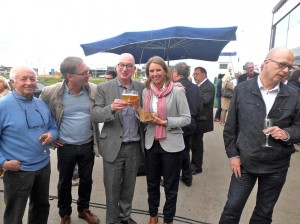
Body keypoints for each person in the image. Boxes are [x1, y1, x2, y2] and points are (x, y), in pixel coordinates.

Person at [219, 47, 300, 224]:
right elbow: (230, 127)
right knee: (232, 209)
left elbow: (299, 127)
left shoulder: (294, 96)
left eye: (290, 67)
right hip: (245, 164)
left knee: (263, 214)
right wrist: (233, 155)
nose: (286, 70)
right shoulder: (242, 89)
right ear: (266, 63)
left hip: (276, 167)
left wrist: (286, 133)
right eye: (282, 65)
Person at [40, 57, 100, 224]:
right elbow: (41, 117)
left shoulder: (94, 89)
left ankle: (83, 210)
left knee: (87, 180)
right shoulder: (51, 92)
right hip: (65, 146)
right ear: (70, 76)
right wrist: (52, 138)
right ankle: (64, 214)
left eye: (88, 71)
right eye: (84, 72)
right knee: (64, 182)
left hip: (88, 144)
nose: (89, 75)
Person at [91, 53, 145, 224]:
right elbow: (94, 115)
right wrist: (111, 108)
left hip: (134, 145)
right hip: (113, 145)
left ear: (134, 69)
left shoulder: (141, 88)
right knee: (112, 188)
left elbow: (149, 111)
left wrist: (139, 109)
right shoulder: (104, 88)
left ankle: (125, 217)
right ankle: (112, 220)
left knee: (129, 187)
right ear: (116, 67)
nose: (125, 68)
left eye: (129, 66)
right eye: (121, 65)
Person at [0, 65, 58, 224]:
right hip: (18, 170)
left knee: (41, 207)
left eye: (32, 79)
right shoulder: (2, 106)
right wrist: (3, 162)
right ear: (12, 82)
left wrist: (52, 134)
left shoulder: (41, 104)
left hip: (43, 167)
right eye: (23, 79)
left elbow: (53, 126)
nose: (29, 82)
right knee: (14, 213)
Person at [142, 56, 190, 224]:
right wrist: (143, 115)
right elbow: (144, 115)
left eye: (158, 70)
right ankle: (153, 214)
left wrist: (164, 122)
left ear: (165, 71)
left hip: (172, 143)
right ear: (148, 73)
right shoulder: (146, 92)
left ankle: (168, 218)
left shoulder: (177, 90)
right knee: (152, 183)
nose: (155, 74)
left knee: (171, 186)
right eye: (151, 71)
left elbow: (186, 119)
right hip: (151, 142)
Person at [172, 62, 202, 187]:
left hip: (177, 124)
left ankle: (173, 179)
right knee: (185, 151)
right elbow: (200, 107)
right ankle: (187, 177)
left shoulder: (173, 87)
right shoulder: (195, 87)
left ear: (176, 73)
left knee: (173, 153)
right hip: (191, 124)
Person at [191, 67, 215, 175]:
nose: (194, 76)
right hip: (196, 119)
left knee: (197, 144)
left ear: (204, 75)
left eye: (196, 74)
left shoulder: (209, 86)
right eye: (194, 74)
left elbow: (204, 100)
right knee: (194, 143)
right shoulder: (198, 86)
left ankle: (197, 166)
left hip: (201, 120)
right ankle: (194, 164)